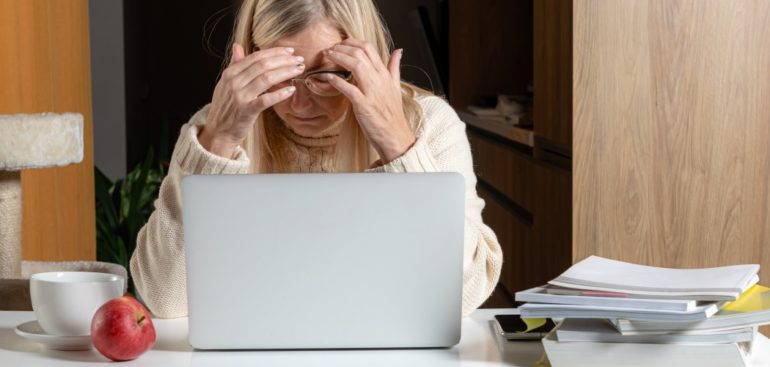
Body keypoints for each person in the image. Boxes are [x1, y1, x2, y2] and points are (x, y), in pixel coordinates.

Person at [130, 0, 502, 319]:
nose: (299, 104)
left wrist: (398, 146)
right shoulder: (215, 130)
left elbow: (462, 297)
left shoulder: (429, 124)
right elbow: (163, 298)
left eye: (323, 77)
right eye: (280, 75)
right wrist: (218, 144)